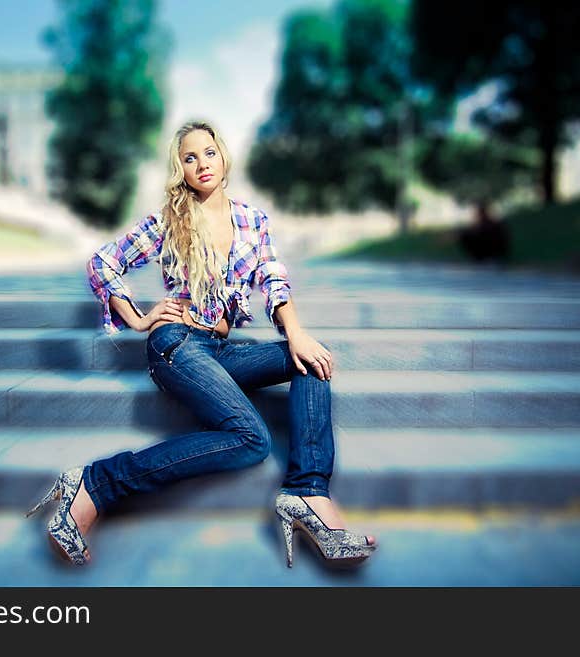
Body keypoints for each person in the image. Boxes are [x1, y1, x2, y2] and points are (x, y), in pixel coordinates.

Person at [26, 120, 377, 568]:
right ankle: (97, 483)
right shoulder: (168, 220)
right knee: (251, 438)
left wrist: (296, 331)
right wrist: (138, 317)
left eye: (208, 153)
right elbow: (103, 262)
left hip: (222, 350)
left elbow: (272, 278)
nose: (201, 164)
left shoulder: (253, 221)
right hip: (177, 344)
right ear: (181, 169)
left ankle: (308, 491)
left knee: (307, 358)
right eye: (189, 158)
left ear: (223, 155)